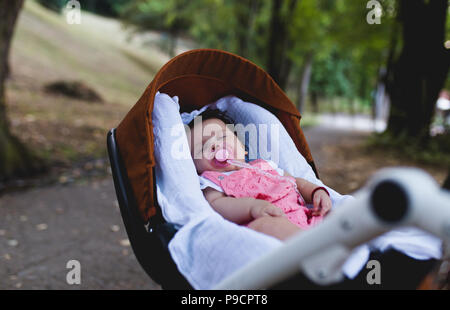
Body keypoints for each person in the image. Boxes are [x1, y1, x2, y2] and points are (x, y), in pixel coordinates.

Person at [186, 108, 332, 240]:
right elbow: (216, 205)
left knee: (333, 215)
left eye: (222, 137)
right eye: (202, 147)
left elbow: (296, 182)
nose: (215, 145)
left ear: (243, 147)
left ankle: (327, 242)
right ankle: (314, 247)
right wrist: (252, 208)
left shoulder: (265, 166)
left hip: (305, 217)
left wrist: (315, 192)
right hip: (264, 224)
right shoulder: (211, 181)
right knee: (267, 225)